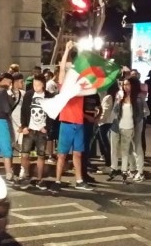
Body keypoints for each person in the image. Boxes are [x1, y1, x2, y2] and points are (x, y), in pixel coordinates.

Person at [50, 41, 93, 193]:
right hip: (67, 123)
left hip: (78, 123)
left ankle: (79, 180)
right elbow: (61, 69)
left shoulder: (80, 88)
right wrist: (67, 50)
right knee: (62, 154)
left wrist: (82, 51)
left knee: (78, 153)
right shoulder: (64, 88)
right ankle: (57, 180)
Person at [109, 77, 149, 183]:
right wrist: (118, 101)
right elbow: (115, 111)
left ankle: (140, 171)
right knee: (128, 148)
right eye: (124, 85)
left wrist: (137, 122)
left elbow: (145, 112)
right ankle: (131, 169)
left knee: (137, 146)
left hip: (135, 124)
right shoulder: (121, 95)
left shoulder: (139, 97)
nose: (125, 87)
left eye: (128, 84)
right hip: (122, 125)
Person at [18, 74, 54, 190]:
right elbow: (23, 111)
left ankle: (40, 179)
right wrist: (24, 126)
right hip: (29, 129)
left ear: (43, 84)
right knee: (25, 154)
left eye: (38, 85)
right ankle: (26, 176)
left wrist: (47, 127)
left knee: (41, 155)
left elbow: (52, 114)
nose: (35, 87)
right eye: (34, 84)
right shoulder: (29, 94)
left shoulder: (48, 96)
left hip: (41, 130)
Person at [92, 82, 119, 171]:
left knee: (104, 142)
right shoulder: (115, 96)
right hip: (109, 121)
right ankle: (108, 161)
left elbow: (105, 111)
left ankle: (108, 162)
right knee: (104, 141)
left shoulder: (108, 97)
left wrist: (99, 120)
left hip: (104, 122)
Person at [8, 73, 25, 153]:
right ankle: (9, 165)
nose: (22, 83)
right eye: (21, 81)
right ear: (15, 82)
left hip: (21, 123)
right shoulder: (7, 93)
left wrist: (23, 125)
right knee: (10, 146)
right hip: (11, 124)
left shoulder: (23, 93)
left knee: (23, 147)